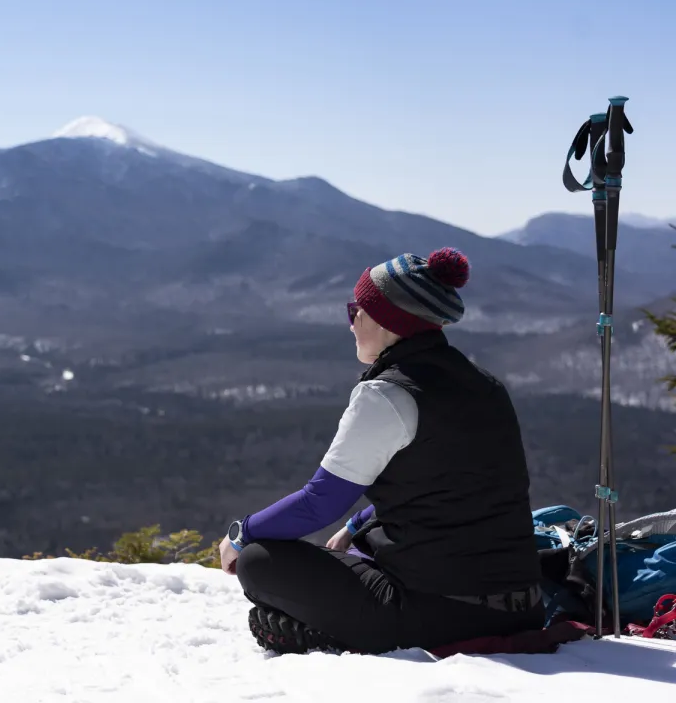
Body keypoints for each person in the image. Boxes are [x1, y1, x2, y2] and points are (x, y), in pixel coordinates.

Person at [217, 247, 544, 655]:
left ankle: (336, 636)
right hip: (524, 606)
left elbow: (318, 504)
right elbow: (446, 484)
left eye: (357, 310)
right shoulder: (486, 386)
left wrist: (242, 534)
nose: (351, 321)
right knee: (369, 533)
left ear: (387, 321)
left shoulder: (387, 394)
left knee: (259, 561)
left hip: (436, 616)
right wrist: (356, 526)